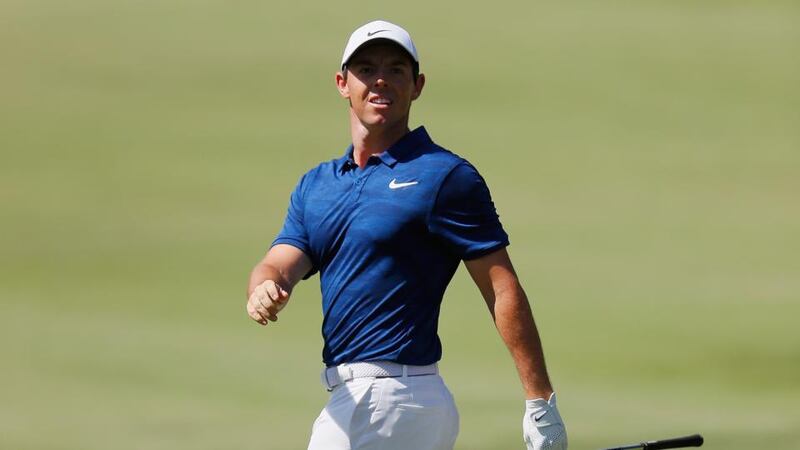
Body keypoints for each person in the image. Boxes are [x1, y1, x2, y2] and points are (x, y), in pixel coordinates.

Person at [246, 20, 568, 450]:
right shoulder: (317, 185)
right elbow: (278, 263)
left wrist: (539, 401)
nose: (380, 79)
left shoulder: (444, 175)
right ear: (343, 83)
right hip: (352, 400)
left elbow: (501, 287)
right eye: (366, 69)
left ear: (417, 86)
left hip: (396, 398)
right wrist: (264, 288)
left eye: (396, 69)